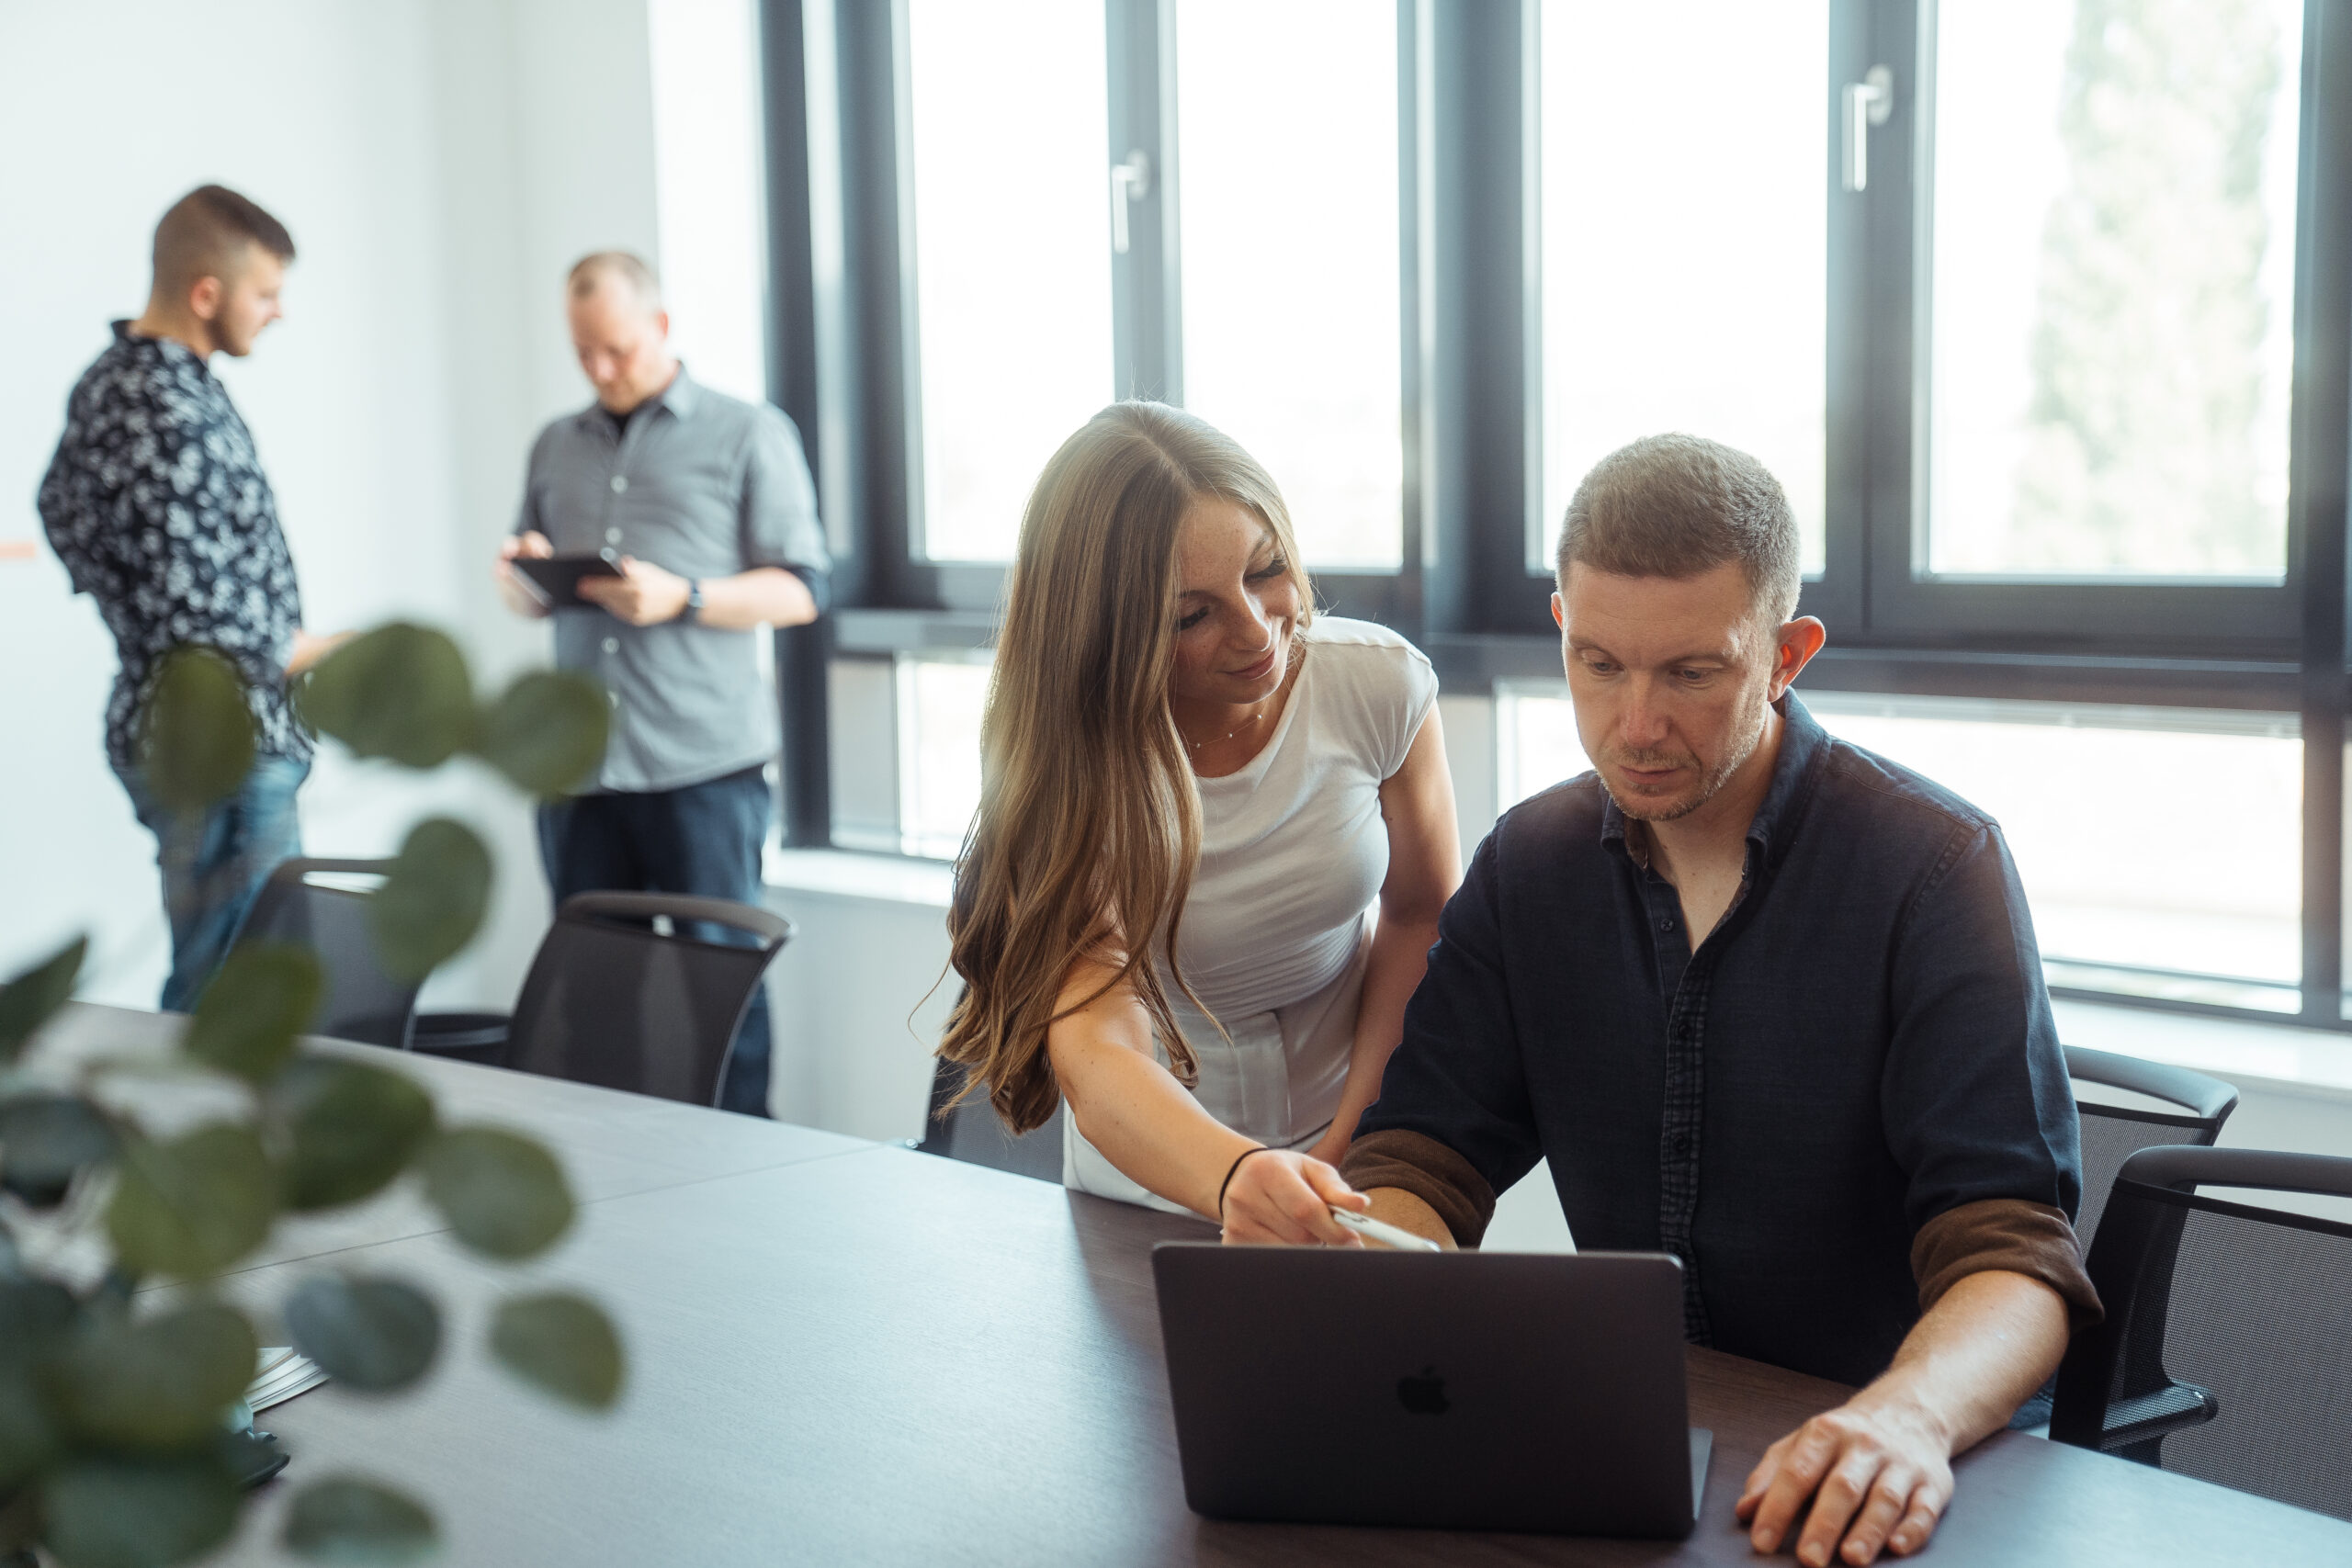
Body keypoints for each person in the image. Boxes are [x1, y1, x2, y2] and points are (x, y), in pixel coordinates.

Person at [1339, 434, 2099, 1568]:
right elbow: (1423, 1156)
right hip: (1647, 1445)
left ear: (1786, 654)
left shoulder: (1933, 869)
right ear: (1562, 630)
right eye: (1599, 664)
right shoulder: (1530, 866)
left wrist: (1906, 1415)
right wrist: (1360, 1258)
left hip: (1901, 1450)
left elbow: (2016, 1256)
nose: (1636, 725)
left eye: (1691, 673)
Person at [939, 401, 1461, 1242]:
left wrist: (1355, 1135)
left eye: (1266, 570)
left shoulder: (1378, 687)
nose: (1258, 629)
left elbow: (1420, 914)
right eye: (1192, 615)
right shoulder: (1074, 764)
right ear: (1110, 632)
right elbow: (1099, 1039)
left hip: (1359, 1139)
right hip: (1154, 1171)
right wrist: (1234, 1175)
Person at [496, 252, 828, 1117]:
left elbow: (801, 590)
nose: (601, 370)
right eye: (584, 354)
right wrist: (524, 582)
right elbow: (533, 578)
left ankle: (746, 1168)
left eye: (616, 349)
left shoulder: (750, 433)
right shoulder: (553, 446)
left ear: (663, 327)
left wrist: (682, 596)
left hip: (701, 770)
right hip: (578, 774)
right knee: (594, 996)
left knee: (723, 988)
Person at [39, 186, 345, 1011]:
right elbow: (194, 607)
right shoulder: (165, 405)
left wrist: (121, 607)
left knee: (230, 983)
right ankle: (191, 1139)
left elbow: (59, 508)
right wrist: (302, 650)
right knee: (232, 1000)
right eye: (266, 293)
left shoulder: (114, 381)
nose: (277, 312)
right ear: (207, 293)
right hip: (221, 743)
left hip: (189, 730)